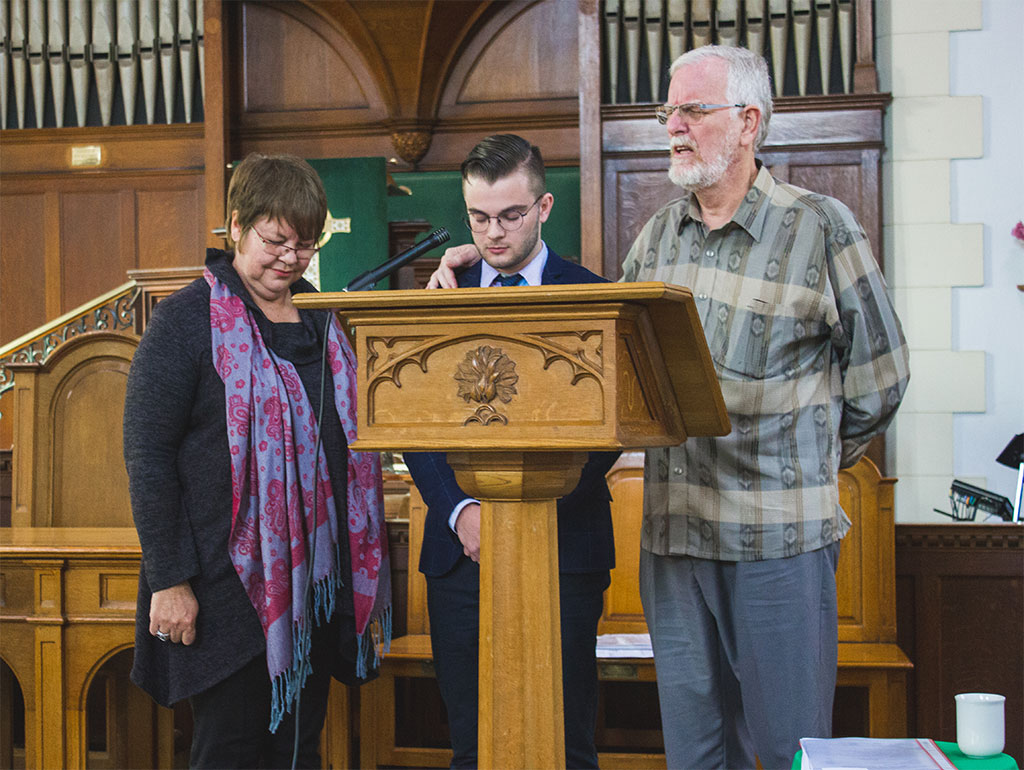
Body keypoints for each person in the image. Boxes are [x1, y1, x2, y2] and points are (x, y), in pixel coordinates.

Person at [427, 48, 910, 770]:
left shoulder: (820, 228)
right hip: (676, 539)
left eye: (692, 110)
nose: (673, 127)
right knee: (695, 753)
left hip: (777, 542)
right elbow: (604, 375)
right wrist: (478, 270)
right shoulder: (656, 237)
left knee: (786, 749)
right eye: (668, 113)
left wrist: (802, 459)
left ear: (749, 123)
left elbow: (882, 377)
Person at [123, 153, 390, 769]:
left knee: (299, 748)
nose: (290, 258)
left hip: (315, 586)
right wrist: (169, 579)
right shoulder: (187, 320)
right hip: (223, 589)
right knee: (233, 750)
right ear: (236, 225)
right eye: (275, 240)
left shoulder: (323, 320)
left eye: (304, 244)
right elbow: (147, 455)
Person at [403, 134, 620, 769]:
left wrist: (525, 508)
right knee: (473, 746)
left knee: (566, 741)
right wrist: (465, 511)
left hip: (564, 543)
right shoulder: (443, 295)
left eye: (511, 215)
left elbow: (607, 432)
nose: (494, 233)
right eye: (478, 218)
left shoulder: (592, 295)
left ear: (545, 206)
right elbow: (415, 424)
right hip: (460, 550)